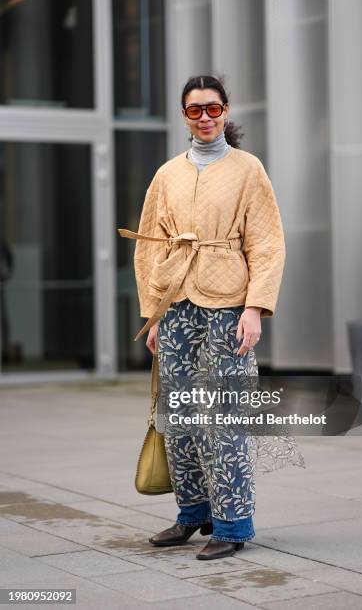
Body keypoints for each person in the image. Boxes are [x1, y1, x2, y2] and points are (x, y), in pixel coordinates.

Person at [119, 74, 306, 561]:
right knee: (177, 417)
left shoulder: (248, 170)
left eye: (213, 109)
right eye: (194, 110)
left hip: (228, 308)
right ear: (184, 115)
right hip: (176, 307)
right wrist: (153, 313)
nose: (204, 118)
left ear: (226, 111)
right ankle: (193, 515)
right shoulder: (167, 175)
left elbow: (267, 243)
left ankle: (233, 523)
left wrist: (255, 308)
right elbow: (149, 248)